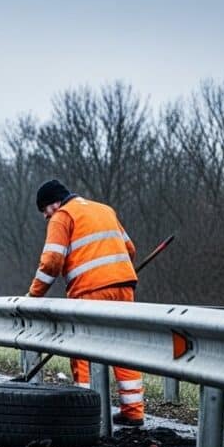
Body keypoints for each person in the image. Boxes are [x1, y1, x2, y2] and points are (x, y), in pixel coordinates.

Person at [27, 180, 145, 426]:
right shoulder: (104, 209)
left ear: (54, 203)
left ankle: (86, 413)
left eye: (44, 211)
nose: (46, 218)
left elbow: (51, 262)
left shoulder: (63, 215)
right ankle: (133, 411)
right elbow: (130, 249)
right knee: (123, 347)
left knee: (82, 349)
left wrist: (33, 296)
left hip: (90, 291)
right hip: (124, 286)